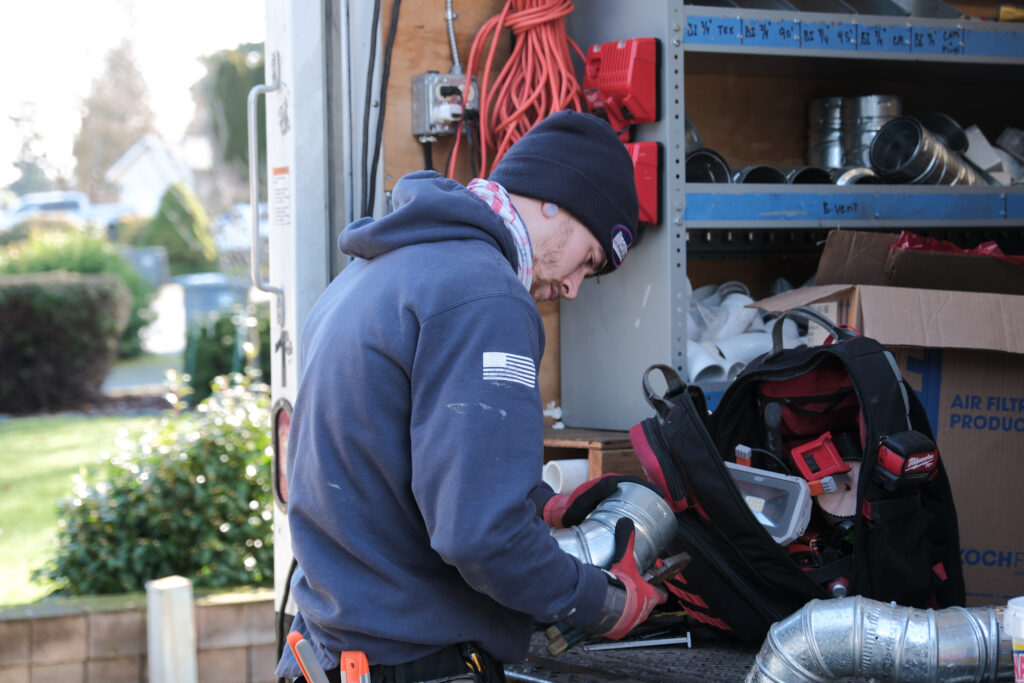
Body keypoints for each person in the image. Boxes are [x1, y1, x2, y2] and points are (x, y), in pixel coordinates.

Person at [276, 110, 665, 683]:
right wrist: (600, 602)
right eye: (587, 258)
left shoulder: (367, 275)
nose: (575, 287)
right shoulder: (487, 296)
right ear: (556, 199)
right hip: (412, 664)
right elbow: (479, 536)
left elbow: (391, 470)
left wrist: (534, 502)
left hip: (327, 654)